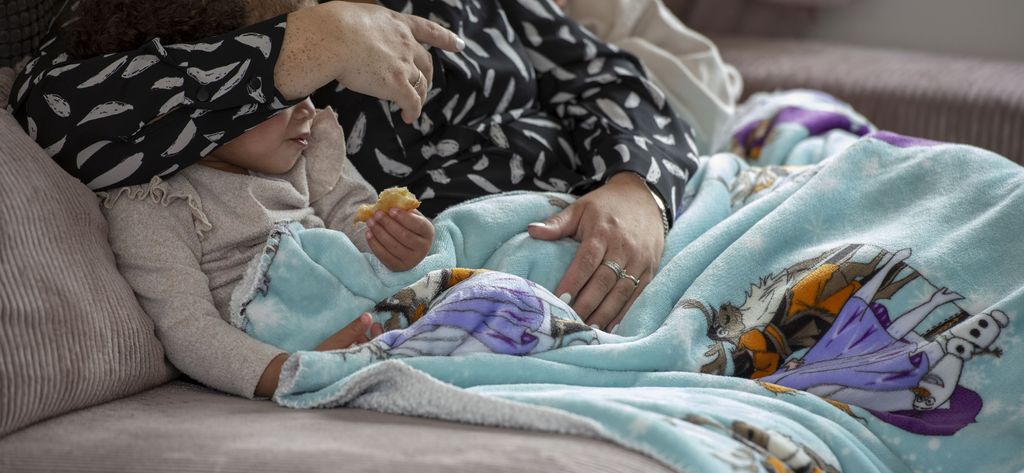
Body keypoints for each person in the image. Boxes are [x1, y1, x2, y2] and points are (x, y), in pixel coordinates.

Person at [9, 0, 700, 332]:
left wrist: (637, 187)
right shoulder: (199, 14)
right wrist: (309, 45)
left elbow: (608, 77)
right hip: (460, 282)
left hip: (611, 225)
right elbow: (57, 112)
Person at [76, 0, 434, 399]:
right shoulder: (155, 203)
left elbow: (357, 220)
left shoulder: (309, 149)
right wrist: (294, 371)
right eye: (280, 94)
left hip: (375, 306)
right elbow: (188, 329)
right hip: (298, 337)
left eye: (309, 87)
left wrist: (398, 243)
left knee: (479, 227)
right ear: (189, 102)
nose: (308, 109)